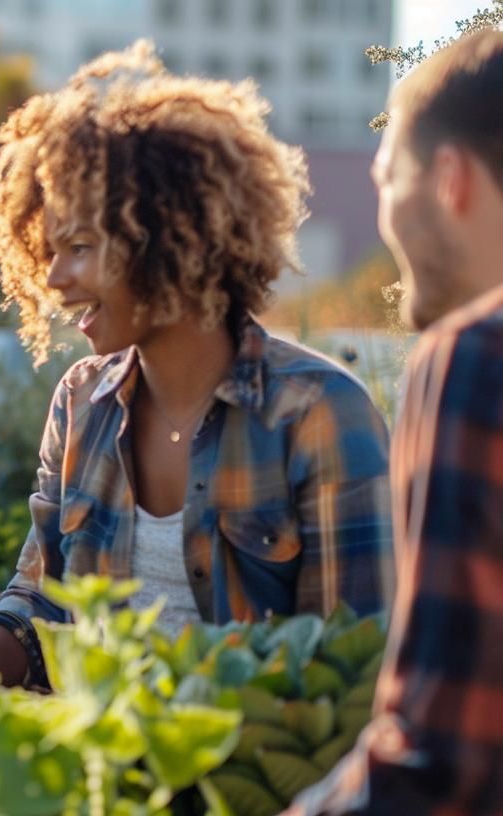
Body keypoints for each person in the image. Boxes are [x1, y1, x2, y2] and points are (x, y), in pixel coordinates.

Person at [0, 41, 393, 688]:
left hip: (261, 782)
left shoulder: (320, 415)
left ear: (171, 239)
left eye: (78, 246)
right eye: (48, 248)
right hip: (102, 768)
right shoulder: (80, 402)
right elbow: (39, 602)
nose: (54, 276)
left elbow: (353, 671)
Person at [289, 30, 503, 815]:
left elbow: (438, 760)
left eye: (388, 176)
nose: (385, 214)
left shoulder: (477, 359)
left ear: (449, 180)